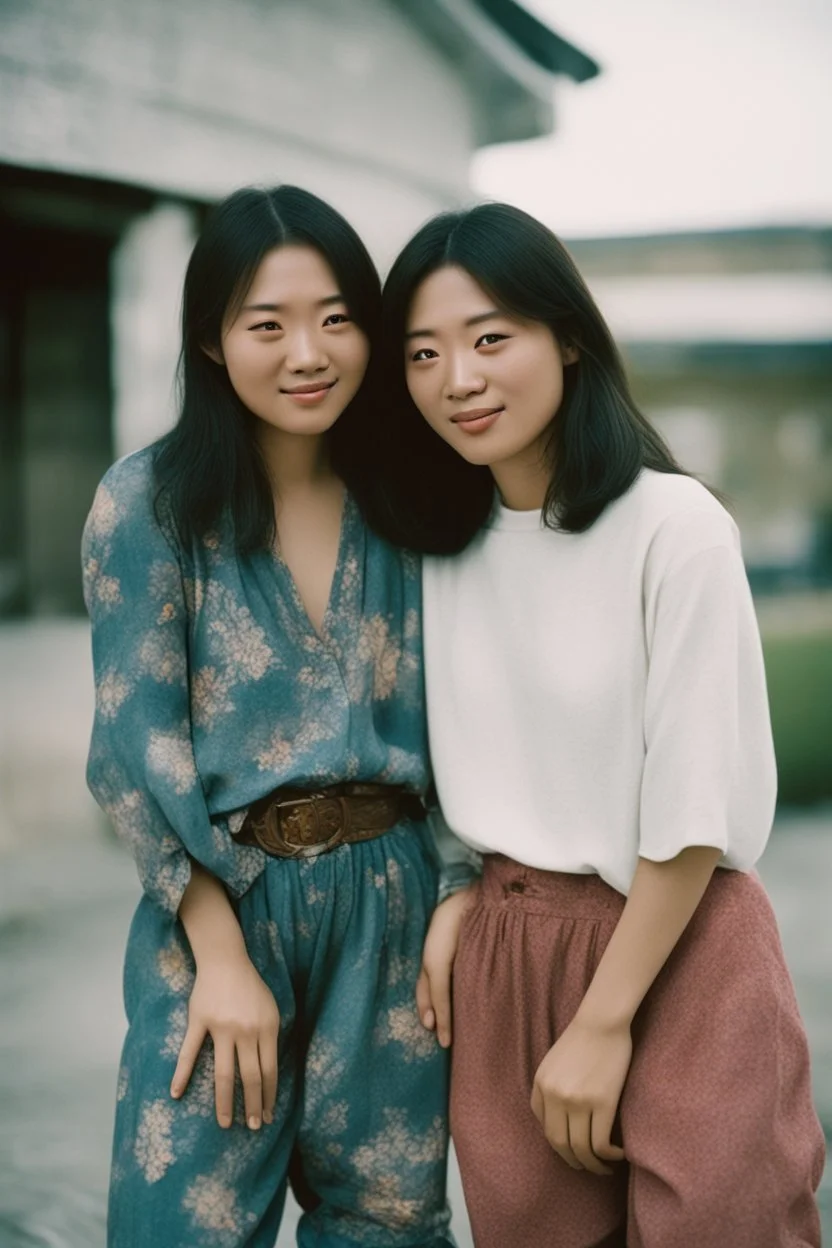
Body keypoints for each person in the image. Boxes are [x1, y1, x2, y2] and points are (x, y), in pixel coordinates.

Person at [374, 202, 826, 1248]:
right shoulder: (433, 548)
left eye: (491, 339)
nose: (459, 380)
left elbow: (691, 802)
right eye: (424, 353)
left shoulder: (676, 528)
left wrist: (604, 1020)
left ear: (567, 336)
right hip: (506, 951)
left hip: (681, 947)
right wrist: (459, 896)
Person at [82, 185, 456, 1248]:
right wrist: (222, 956)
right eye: (268, 324)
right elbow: (132, 748)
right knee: (178, 1226)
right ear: (210, 340)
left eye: (338, 318)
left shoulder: (415, 499)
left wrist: (460, 888)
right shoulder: (149, 506)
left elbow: (470, 712)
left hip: (393, 910)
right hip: (222, 909)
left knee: (385, 1226)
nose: (309, 352)